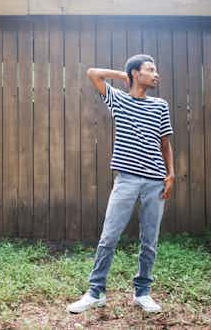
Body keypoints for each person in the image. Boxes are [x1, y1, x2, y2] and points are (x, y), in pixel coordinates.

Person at [67, 54, 175, 314]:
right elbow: (93, 72)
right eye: (150, 69)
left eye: (155, 69)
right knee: (109, 237)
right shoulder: (119, 100)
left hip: (155, 182)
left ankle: (142, 292)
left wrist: (171, 174)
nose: (155, 74)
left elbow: (165, 142)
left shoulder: (160, 105)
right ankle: (95, 292)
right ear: (136, 74)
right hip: (126, 180)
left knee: (150, 240)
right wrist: (123, 75)